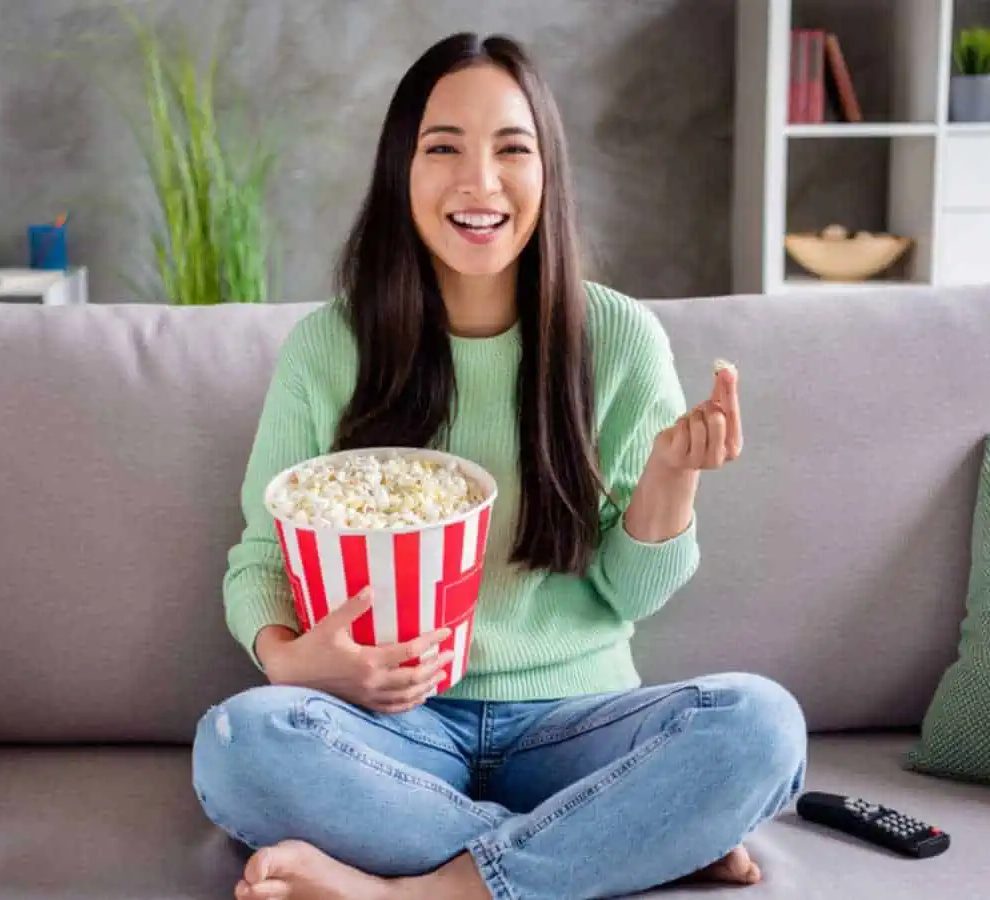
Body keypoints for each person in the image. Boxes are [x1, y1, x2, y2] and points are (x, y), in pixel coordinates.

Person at [192, 31, 808, 900]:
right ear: (399, 172)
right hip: (393, 729)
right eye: (443, 148)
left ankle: (429, 890)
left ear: (547, 171)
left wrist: (672, 478)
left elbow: (630, 595)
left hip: (577, 726)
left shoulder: (620, 340)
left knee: (763, 728)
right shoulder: (330, 348)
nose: (480, 183)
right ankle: (630, 841)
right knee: (238, 744)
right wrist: (293, 663)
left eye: (511, 150)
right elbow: (263, 556)